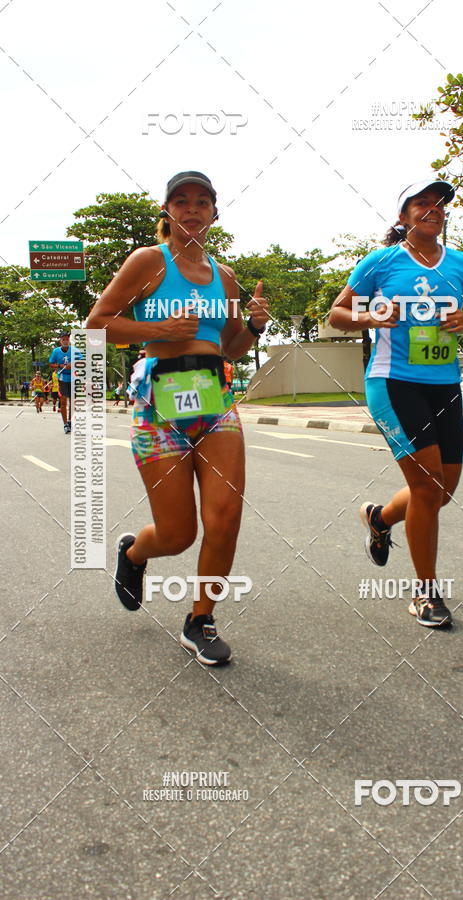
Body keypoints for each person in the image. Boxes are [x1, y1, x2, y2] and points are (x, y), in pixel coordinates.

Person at [86, 170, 269, 665]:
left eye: (202, 201)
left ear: (215, 212)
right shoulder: (149, 262)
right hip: (158, 401)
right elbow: (97, 324)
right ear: (167, 211)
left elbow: (231, 344)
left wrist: (251, 325)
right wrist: (158, 326)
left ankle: (201, 619)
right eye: (181, 201)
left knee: (225, 516)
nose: (192, 209)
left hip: (214, 400)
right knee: (177, 534)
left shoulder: (225, 275)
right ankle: (134, 554)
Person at [329, 178, 463, 628]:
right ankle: (426, 592)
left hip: (443, 383)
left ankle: (380, 518)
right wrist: (370, 314)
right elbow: (336, 314)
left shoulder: (462, 264)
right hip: (393, 380)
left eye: (439, 204)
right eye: (421, 204)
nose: (433, 209)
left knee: (442, 491)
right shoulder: (381, 263)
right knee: (426, 487)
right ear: (404, 217)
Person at [49, 333, 75, 434]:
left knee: (73, 402)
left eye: (67, 339)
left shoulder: (74, 350)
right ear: (60, 341)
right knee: (63, 401)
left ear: (69, 340)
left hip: (73, 378)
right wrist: (59, 365)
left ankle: (70, 421)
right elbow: (51, 363)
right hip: (62, 378)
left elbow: (82, 361)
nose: (65, 341)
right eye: (63, 339)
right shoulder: (56, 351)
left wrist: (73, 364)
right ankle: (65, 424)